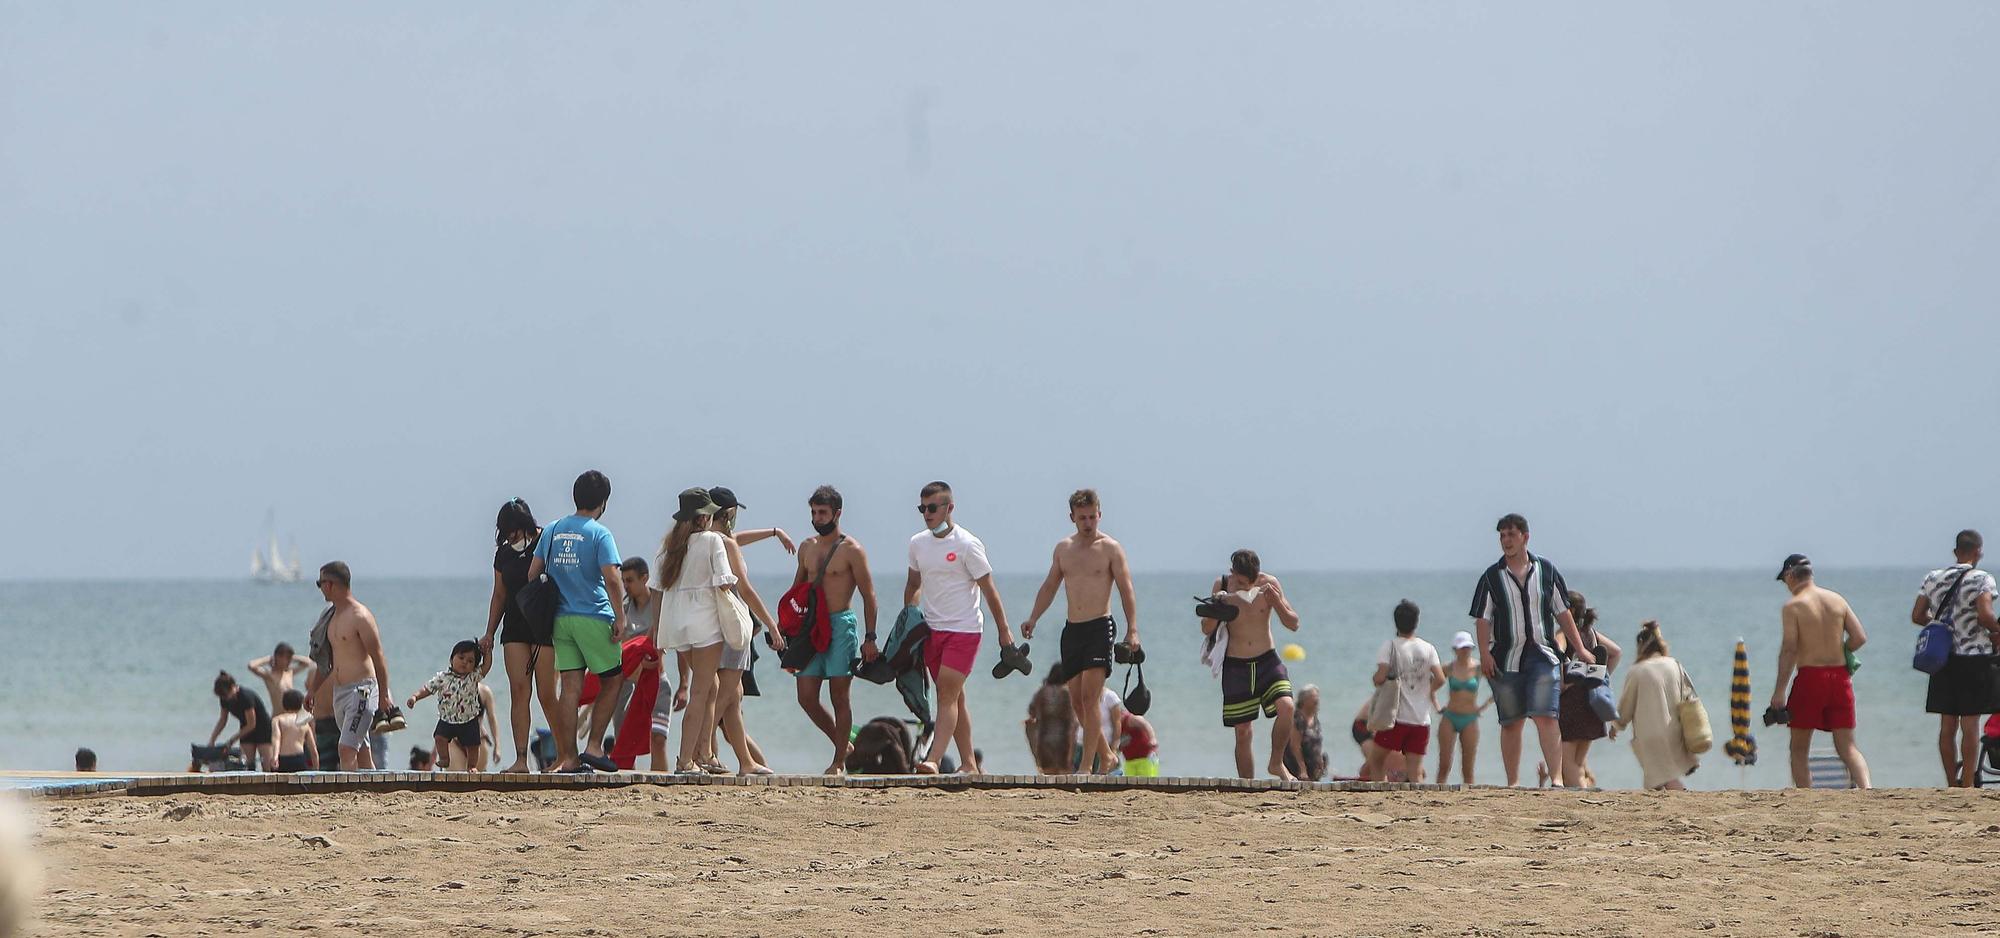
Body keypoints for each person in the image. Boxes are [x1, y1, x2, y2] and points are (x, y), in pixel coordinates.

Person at [658, 488, 783, 774]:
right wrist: (771, 624)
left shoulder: (676, 545)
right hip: (717, 626)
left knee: (724, 693)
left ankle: (732, 759)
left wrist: (775, 532)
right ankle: (696, 755)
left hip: (684, 626)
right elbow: (738, 588)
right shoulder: (717, 542)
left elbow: (661, 591)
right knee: (716, 693)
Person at [1019, 489, 1142, 777]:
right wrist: (1033, 618)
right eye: (1082, 517)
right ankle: (1108, 756)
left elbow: (1126, 589)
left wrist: (1132, 630)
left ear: (1099, 515)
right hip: (1072, 630)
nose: (1088, 522)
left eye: (1092, 517)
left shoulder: (1111, 548)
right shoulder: (1064, 549)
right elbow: (1050, 586)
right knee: (1076, 702)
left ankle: (1088, 765)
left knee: (1091, 699)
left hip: (1100, 627)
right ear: (1072, 517)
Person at [1469, 514, 1596, 787]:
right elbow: (1482, 618)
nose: (1506, 541)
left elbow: (1562, 612)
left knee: (1546, 716)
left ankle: (1557, 779)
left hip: (1543, 654)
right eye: (1502, 536)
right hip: (1505, 657)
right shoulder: (1492, 577)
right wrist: (1484, 653)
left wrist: (1581, 650)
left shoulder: (1546, 571)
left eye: (1511, 535)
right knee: (1511, 722)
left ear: (1525, 537)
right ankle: (1513, 782)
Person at [906, 481, 1016, 775]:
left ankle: (934, 759)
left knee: (946, 695)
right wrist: (909, 615)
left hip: (965, 630)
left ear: (949, 508)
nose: (926, 513)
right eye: (922, 508)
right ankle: (969, 763)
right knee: (955, 697)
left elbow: (989, 590)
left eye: (932, 508)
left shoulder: (968, 544)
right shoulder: (918, 543)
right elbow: (914, 584)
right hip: (932, 630)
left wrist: (1004, 631)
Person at [524, 471, 629, 774]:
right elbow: (612, 577)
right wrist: (620, 616)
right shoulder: (600, 533)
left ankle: (567, 757)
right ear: (603, 502)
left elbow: (533, 574)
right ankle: (594, 746)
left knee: (570, 687)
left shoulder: (553, 530)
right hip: (594, 616)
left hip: (561, 619)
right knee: (612, 680)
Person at [790, 485, 879, 775]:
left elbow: (869, 596)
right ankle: (844, 744)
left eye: (823, 512)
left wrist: (870, 638)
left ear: (837, 513)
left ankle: (839, 761)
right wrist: (785, 631)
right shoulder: (806, 547)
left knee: (839, 696)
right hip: (811, 628)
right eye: (814, 512)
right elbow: (797, 591)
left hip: (841, 625)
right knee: (805, 697)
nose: (817, 518)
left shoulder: (852, 550)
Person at [1770, 554, 1872, 789]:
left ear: (1790, 575)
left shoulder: (1793, 606)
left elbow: (1789, 649)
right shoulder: (1837, 600)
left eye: (1785, 580)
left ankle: (1806, 796)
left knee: (1798, 747)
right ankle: (1867, 790)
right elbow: (1859, 637)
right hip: (1840, 677)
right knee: (1847, 746)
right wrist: (1841, 650)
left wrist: (1779, 692)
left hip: (1810, 677)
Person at [702, 488, 784, 775]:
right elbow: (746, 590)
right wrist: (772, 625)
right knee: (725, 694)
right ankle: (701, 749)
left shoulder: (703, 540)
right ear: (729, 513)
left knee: (731, 696)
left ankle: (744, 762)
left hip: (708, 624)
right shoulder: (725, 543)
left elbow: (738, 540)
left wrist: (774, 532)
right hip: (732, 625)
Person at [1203, 549, 1303, 780]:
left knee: (1287, 707)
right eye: (1240, 582)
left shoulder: (1269, 584)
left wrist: (1276, 602)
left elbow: (1294, 624)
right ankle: (1247, 785)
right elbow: (1206, 629)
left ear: (1257, 575)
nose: (1245, 588)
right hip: (1236, 665)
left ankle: (1276, 763)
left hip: (1267, 659)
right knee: (1243, 732)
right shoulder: (1222, 584)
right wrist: (1218, 606)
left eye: (1249, 583)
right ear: (1233, 574)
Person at [1911, 529, 2000, 787]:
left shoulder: (1933, 577)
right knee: (1970, 723)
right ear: (1978, 552)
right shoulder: (1983, 579)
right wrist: (1996, 630)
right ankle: (1968, 784)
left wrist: (1941, 627)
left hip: (1943, 659)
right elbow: (1984, 614)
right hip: (1974, 658)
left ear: (1955, 551)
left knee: (1947, 724)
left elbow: (1917, 615)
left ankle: (1951, 782)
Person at [480, 499, 561, 774]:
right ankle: (521, 759)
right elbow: (499, 594)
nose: (511, 534)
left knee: (547, 694)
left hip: (543, 625)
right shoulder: (503, 554)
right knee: (519, 692)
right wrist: (490, 632)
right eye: (506, 530)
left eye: (514, 528)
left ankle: (564, 755)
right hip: (514, 626)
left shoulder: (545, 540)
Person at [311, 561, 394, 770]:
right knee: (362, 749)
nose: (320, 588)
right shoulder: (329, 617)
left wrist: (383, 695)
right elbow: (326, 662)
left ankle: (347, 798)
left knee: (346, 749)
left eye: (320, 583)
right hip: (340, 693)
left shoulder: (360, 617)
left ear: (331, 584)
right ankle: (374, 794)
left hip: (362, 691)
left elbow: (378, 657)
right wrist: (312, 691)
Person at [614, 556, 688, 770]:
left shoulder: (659, 608)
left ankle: (661, 786)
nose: (626, 586)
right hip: (626, 684)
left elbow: (680, 645)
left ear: (644, 578)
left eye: (630, 580)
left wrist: (684, 685)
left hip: (656, 682)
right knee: (624, 743)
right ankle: (626, 788)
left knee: (658, 739)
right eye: (623, 581)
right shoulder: (623, 610)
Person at [1609, 620, 1699, 790]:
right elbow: (1688, 694)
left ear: (1641, 646)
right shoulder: (1674, 665)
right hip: (1674, 729)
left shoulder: (1637, 670)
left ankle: (1682, 795)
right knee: (1659, 775)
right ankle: (1666, 807)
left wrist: (1616, 726)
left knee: (1662, 775)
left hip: (1649, 734)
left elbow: (1626, 704)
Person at [1369, 600, 1446, 782]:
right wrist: (1427, 691)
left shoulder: (1390, 646)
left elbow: (1379, 677)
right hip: (1421, 719)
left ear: (1396, 622)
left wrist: (1377, 679)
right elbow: (1441, 678)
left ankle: (1382, 796)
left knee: (1376, 760)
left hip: (1397, 718)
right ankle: (1417, 806)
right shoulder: (1428, 648)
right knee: (1415, 772)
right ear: (1416, 622)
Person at [1557, 591, 1622, 789]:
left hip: (1571, 702)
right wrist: (1601, 675)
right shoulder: (1591, 634)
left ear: (1570, 611)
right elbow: (1616, 652)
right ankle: (1584, 793)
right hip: (1592, 702)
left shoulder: (1563, 633)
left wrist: (1562, 683)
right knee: (1578, 761)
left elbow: (1559, 654)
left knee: (1567, 759)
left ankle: (1578, 798)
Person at [406, 640, 494, 772]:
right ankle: (445, 758)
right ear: (451, 659)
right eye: (461, 657)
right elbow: (428, 688)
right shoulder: (443, 677)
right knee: (439, 737)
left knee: (473, 745)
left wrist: (487, 653)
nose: (465, 662)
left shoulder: (473, 677)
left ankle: (472, 766)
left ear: (474, 666)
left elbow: (486, 667)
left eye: (470, 661)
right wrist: (415, 697)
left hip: (468, 719)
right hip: (447, 718)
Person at [1436, 631, 1492, 785]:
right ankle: (1437, 794)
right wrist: (1436, 705)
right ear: (1455, 649)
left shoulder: (1478, 668)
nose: (1465, 651)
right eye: (1461, 648)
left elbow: (1498, 687)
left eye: (1467, 647)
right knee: (1444, 764)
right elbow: (1430, 685)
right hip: (1450, 717)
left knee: (1468, 768)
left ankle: (1469, 801)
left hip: (1470, 719)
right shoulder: (1448, 667)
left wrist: (1483, 706)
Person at [208, 671, 274, 771]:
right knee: (248, 765)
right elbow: (223, 720)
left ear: (233, 686)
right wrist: (212, 739)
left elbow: (252, 724)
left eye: (226, 695)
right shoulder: (224, 699)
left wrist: (232, 740)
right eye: (222, 696)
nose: (225, 698)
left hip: (263, 727)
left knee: (267, 767)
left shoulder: (245, 697)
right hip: (245, 728)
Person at [1024, 667, 1076, 775]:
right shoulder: (1067, 692)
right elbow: (1073, 718)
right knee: (1064, 773)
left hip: (1045, 737)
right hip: (1064, 738)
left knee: (1048, 773)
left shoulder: (1041, 692)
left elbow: (1031, 711)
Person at [246, 643, 315, 719]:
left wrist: (293, 657)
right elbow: (251, 665)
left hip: (292, 717)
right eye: (286, 658)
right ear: (277, 657)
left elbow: (308, 663)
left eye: (289, 659)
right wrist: (268, 659)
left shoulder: (289, 672)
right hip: (277, 716)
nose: (289, 661)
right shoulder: (269, 675)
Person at [1283, 684, 1327, 781]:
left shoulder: (1315, 719)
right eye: (1313, 697)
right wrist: (1302, 769)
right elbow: (1295, 746)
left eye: (1317, 697)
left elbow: (1317, 742)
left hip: (1312, 765)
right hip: (1296, 765)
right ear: (1304, 700)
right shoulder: (1297, 718)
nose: (1317, 700)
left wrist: (1319, 760)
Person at [271, 690, 317, 773]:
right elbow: (313, 749)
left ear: (283, 704)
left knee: (280, 785)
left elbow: (276, 739)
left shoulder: (278, 720)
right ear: (301, 705)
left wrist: (275, 757)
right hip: (299, 758)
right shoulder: (304, 722)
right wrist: (316, 769)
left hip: (283, 758)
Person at [1115, 708, 1160, 777]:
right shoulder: (1116, 728)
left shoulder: (1130, 719)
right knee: (1130, 782)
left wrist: (1152, 738)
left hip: (1145, 758)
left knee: (1147, 780)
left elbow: (1145, 725)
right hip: (1129, 761)